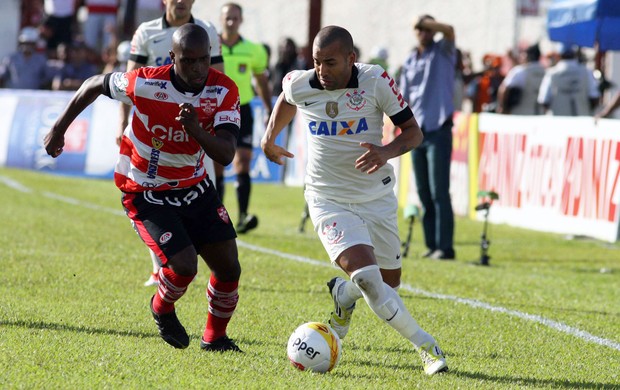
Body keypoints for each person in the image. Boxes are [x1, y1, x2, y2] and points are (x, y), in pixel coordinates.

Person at [44, 24, 243, 352]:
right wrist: (59, 129)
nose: (197, 68)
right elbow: (94, 84)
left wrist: (194, 128)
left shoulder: (223, 91)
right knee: (184, 266)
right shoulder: (147, 81)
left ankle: (215, 338)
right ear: (172, 58)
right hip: (144, 188)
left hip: (194, 185)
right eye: (188, 61)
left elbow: (224, 152)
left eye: (203, 60)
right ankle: (162, 308)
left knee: (228, 268)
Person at [261, 25, 448, 376]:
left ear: (351, 58)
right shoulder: (302, 82)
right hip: (327, 198)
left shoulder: (375, 81)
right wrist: (269, 138)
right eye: (316, 62)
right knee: (368, 278)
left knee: (389, 284)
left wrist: (385, 151)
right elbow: (287, 98)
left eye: (330, 62)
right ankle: (427, 347)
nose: (322, 71)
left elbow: (414, 132)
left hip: (375, 197)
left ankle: (343, 295)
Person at [120, 0, 224, 287]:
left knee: (205, 192)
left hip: (195, 130)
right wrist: (122, 123)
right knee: (152, 191)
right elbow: (129, 80)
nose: (180, 1)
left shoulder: (207, 31)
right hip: (154, 129)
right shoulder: (146, 31)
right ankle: (161, 266)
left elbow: (220, 80)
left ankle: (204, 258)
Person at [399, 15, 456, 260]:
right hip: (417, 131)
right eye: (420, 29)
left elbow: (450, 30)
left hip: (438, 129)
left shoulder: (443, 51)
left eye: (428, 29)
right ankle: (431, 244)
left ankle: (445, 247)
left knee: (439, 190)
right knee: (423, 191)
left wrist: (424, 22)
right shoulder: (410, 59)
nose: (423, 33)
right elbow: (402, 96)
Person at [217, 2, 273, 234]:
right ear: (221, 20)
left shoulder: (254, 49)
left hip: (244, 109)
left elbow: (261, 81)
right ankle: (216, 218)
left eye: (235, 18)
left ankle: (241, 216)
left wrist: (270, 109)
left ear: (241, 20)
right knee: (218, 164)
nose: (231, 22)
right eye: (227, 18)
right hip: (217, 109)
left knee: (244, 161)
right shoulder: (210, 46)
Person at [537, 44, 600, 116]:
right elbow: (594, 96)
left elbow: (544, 100)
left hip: (558, 121)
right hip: (581, 121)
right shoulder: (586, 72)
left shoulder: (552, 73)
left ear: (559, 55)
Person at [497, 43, 545, 115]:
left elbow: (504, 89)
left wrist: (502, 107)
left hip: (520, 113)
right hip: (539, 114)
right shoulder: (546, 72)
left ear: (527, 55)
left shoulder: (520, 71)